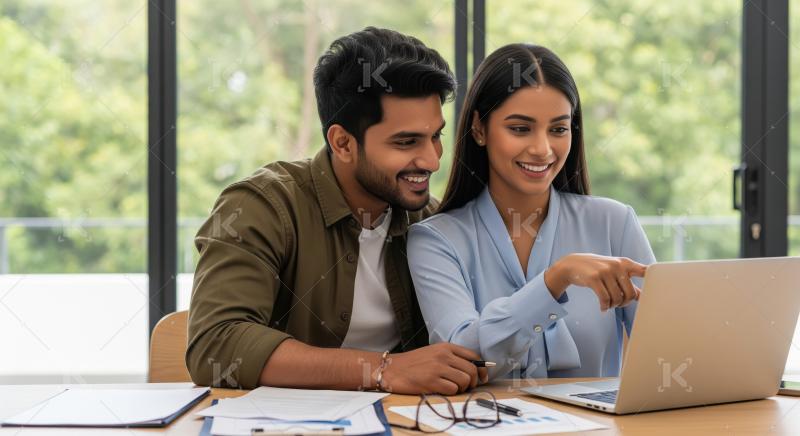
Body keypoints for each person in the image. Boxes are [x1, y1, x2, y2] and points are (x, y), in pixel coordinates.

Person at [186, 27, 487, 394]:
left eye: (436, 136)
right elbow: (216, 344)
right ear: (343, 143)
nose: (432, 160)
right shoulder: (261, 207)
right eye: (406, 142)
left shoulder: (431, 223)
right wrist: (382, 370)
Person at [407, 43, 656, 381]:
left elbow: (666, 350)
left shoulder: (615, 223)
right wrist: (556, 279)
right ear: (479, 128)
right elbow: (464, 358)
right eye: (520, 129)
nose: (542, 149)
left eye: (558, 129)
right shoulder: (435, 240)